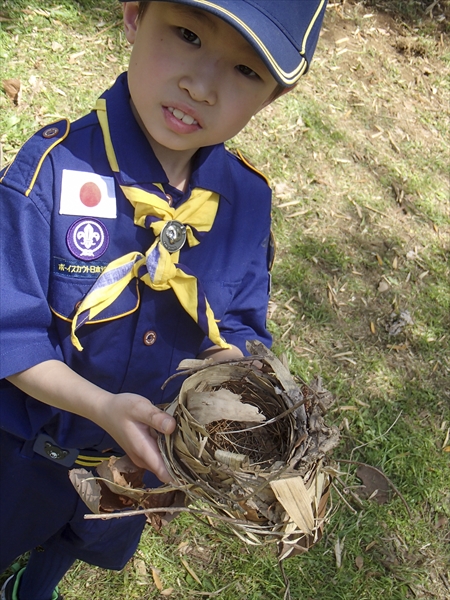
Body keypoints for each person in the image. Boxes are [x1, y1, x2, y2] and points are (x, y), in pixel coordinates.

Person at [0, 1, 328, 598]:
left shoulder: (246, 201)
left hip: (133, 475)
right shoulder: (50, 170)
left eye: (245, 71)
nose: (201, 85)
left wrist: (237, 387)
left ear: (274, 97)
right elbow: (10, 336)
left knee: (57, 563)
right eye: (186, 35)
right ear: (132, 16)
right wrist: (101, 407)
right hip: (19, 459)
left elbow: (239, 326)